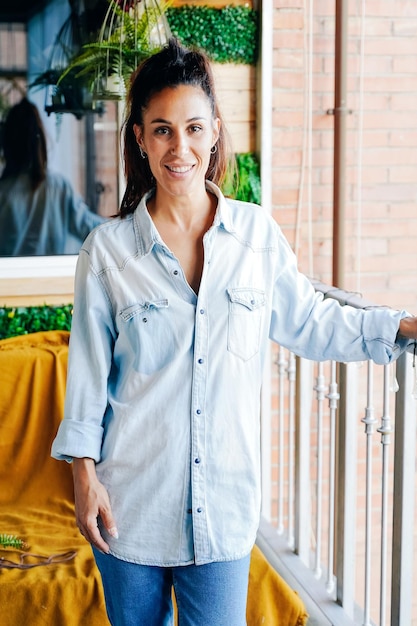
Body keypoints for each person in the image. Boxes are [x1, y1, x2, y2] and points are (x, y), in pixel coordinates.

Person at [51, 38, 417, 626]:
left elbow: (310, 320)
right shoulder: (107, 253)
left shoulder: (255, 236)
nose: (180, 148)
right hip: (128, 510)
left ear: (215, 131)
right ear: (140, 139)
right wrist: (84, 479)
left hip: (222, 511)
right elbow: (89, 380)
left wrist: (397, 325)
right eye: (162, 130)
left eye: (194, 128)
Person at [0, 97, 105, 256]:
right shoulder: (59, 186)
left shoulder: (4, 192)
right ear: (40, 140)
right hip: (52, 278)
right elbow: (89, 227)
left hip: (9, 280)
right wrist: (128, 224)